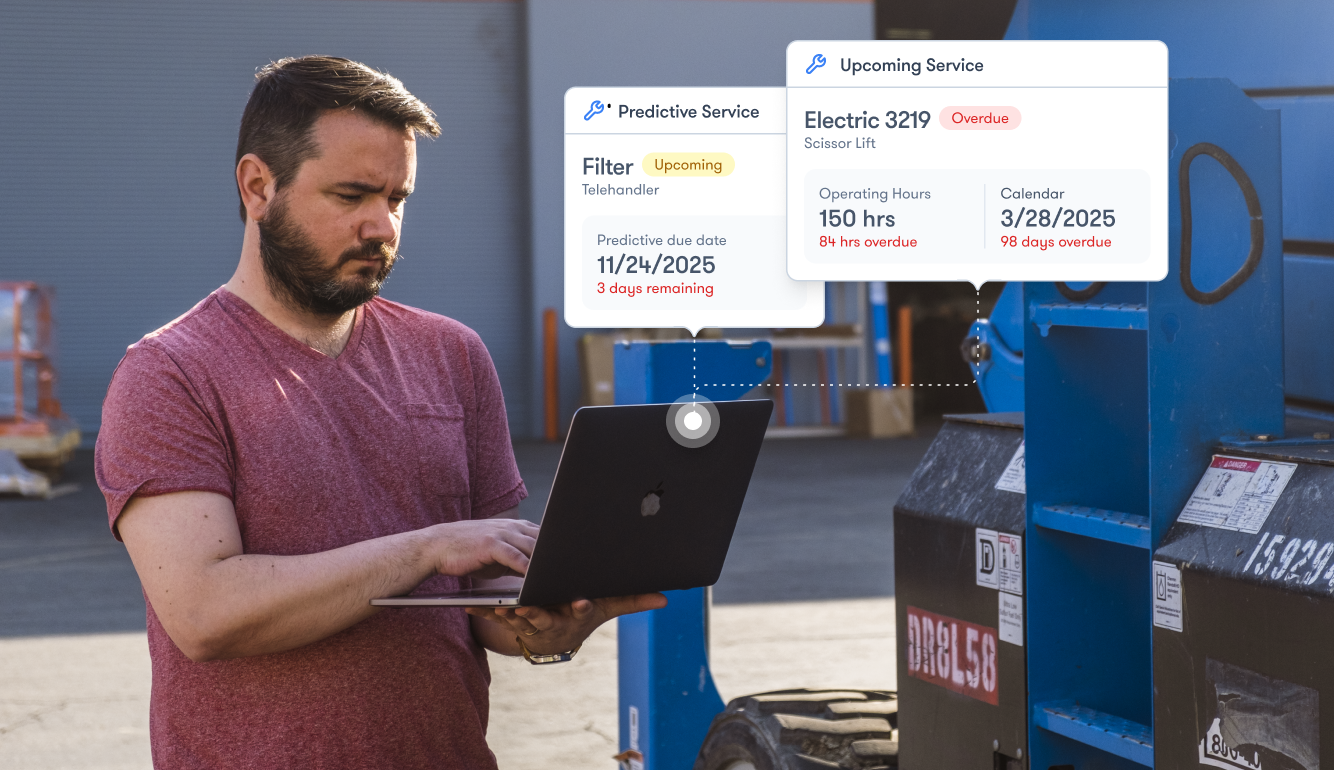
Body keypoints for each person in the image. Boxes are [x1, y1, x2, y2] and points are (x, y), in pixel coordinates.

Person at [94, 56, 665, 769]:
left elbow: (476, 596)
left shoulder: (451, 353)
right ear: (257, 186)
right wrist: (426, 548)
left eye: (396, 198)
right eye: (351, 194)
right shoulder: (172, 372)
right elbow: (206, 612)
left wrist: (544, 622)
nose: (380, 226)